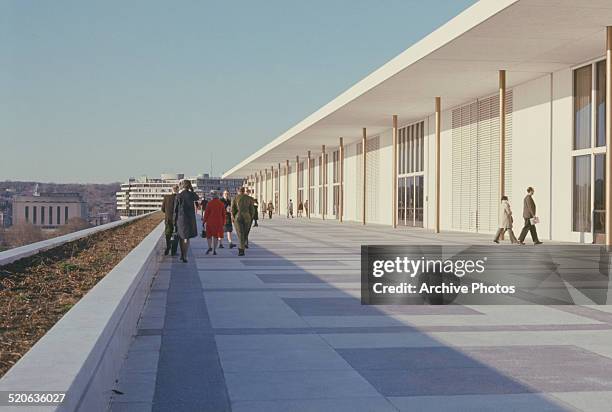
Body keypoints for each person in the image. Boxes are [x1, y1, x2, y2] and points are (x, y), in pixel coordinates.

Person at [173, 179, 199, 262]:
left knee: (181, 237)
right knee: (186, 238)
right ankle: (184, 255)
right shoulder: (191, 194)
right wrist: (192, 189)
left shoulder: (179, 195)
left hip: (181, 219)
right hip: (189, 219)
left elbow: (175, 210)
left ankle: (182, 254)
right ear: (189, 186)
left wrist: (174, 221)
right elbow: (197, 197)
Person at [232, 186, 255, 256]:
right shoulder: (250, 198)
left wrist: (233, 217)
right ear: (244, 191)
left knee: (240, 233)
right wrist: (251, 217)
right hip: (247, 217)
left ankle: (241, 249)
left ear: (238, 190)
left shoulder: (235, 198)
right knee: (245, 233)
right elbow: (252, 210)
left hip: (238, 217)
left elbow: (233, 209)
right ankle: (242, 246)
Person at [204, 190, 225, 255]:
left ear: (212, 196)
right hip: (218, 222)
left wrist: (204, 221)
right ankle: (214, 250)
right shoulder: (221, 204)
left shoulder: (209, 203)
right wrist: (223, 223)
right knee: (216, 236)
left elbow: (206, 213)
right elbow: (223, 214)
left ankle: (209, 247)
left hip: (210, 222)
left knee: (209, 235)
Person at [161, 185, 178, 255]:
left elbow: (162, 209)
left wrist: (168, 213)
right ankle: (174, 251)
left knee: (168, 234)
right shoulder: (179, 197)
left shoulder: (166, 197)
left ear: (172, 190)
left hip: (168, 219)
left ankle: (168, 246)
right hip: (177, 220)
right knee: (176, 235)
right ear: (177, 190)